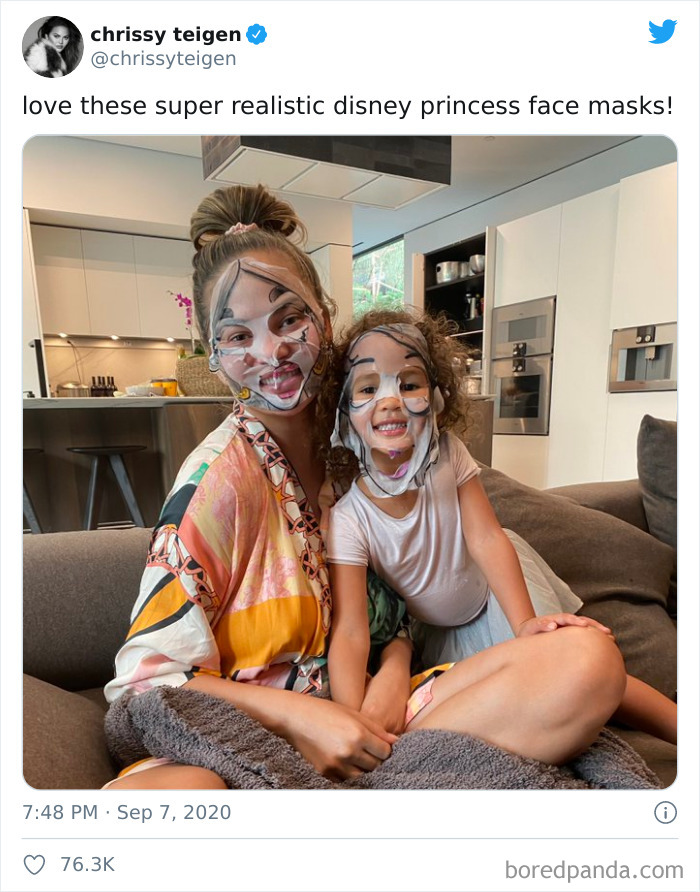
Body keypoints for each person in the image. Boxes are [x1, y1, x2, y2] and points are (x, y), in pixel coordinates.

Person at [103, 185, 627, 790]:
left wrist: (393, 669)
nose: (271, 351)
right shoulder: (214, 482)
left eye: (289, 319)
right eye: (239, 336)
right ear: (214, 355)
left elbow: (387, 611)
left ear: (323, 320)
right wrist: (307, 717)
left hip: (381, 719)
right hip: (251, 738)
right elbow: (143, 682)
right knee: (174, 796)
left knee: (584, 663)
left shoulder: (353, 452)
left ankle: (378, 789)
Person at [323, 309, 677, 745]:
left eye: (409, 382)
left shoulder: (448, 456)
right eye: (369, 387)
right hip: (438, 633)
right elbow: (351, 629)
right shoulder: (347, 520)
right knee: (525, 696)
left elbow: (487, 538)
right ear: (344, 411)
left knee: (577, 663)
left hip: (498, 595)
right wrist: (346, 715)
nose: (391, 399)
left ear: (434, 397)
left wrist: (525, 621)